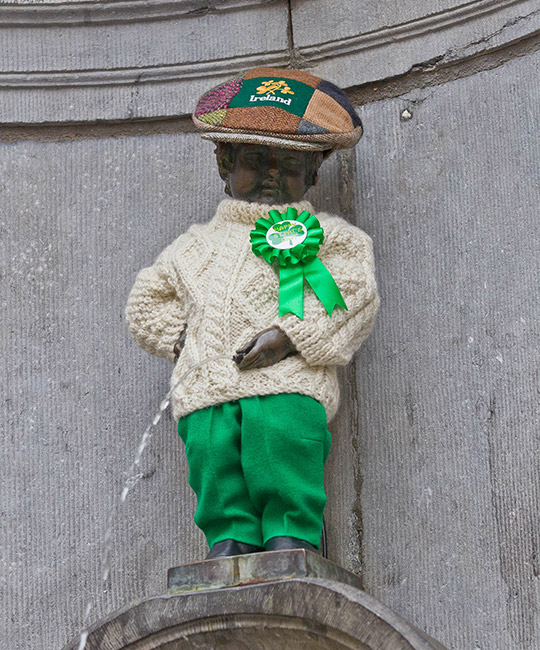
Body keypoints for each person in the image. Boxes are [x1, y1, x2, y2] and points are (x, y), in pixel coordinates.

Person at [125, 67, 379, 559]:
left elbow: (352, 291)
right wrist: (180, 336)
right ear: (224, 162)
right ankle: (230, 537)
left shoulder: (329, 237)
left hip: (286, 384)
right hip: (206, 389)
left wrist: (290, 334)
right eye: (256, 160)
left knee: (284, 447)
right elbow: (145, 302)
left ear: (313, 173)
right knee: (213, 458)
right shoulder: (191, 248)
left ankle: (292, 534)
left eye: (287, 164)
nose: (269, 175)